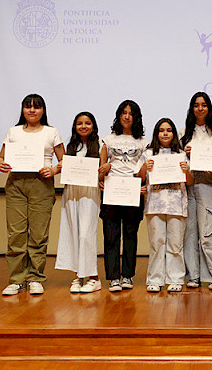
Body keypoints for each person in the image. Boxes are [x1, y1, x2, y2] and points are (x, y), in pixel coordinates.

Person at [0, 94, 64, 296]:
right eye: (28, 107)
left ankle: (35, 277)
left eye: (36, 107)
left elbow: (64, 161)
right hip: (16, 183)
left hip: (41, 184)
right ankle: (16, 279)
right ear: (22, 110)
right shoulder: (13, 131)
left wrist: (52, 170)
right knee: (16, 233)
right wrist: (0, 163)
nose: (32, 111)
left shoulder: (51, 132)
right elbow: (0, 158)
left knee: (38, 234)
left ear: (43, 110)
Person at [137, 118, 193, 293]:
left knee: (176, 244)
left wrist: (186, 171)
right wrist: (145, 167)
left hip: (177, 204)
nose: (165, 133)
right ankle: (155, 279)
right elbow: (138, 177)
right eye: (162, 130)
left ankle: (175, 279)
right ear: (157, 133)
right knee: (156, 243)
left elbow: (190, 181)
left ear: (173, 133)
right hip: (154, 204)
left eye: (169, 130)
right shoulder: (148, 154)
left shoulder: (181, 154)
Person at [98, 100, 148, 292]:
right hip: (112, 194)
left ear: (136, 117)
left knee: (130, 235)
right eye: (123, 112)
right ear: (118, 115)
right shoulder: (108, 140)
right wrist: (102, 176)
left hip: (133, 194)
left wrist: (143, 185)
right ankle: (113, 277)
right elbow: (101, 170)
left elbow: (145, 170)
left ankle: (127, 275)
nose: (127, 116)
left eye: (131, 113)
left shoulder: (144, 143)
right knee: (111, 236)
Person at [179, 92, 212, 290]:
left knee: (208, 233)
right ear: (192, 109)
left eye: (204, 105)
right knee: (189, 233)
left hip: (207, 185)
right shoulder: (183, 133)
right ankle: (193, 276)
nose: (200, 108)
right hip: (187, 187)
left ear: (209, 108)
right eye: (196, 105)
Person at [55, 112, 102, 293]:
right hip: (72, 191)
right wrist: (60, 167)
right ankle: (78, 276)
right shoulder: (71, 146)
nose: (83, 126)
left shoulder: (99, 146)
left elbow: (100, 172)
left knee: (86, 234)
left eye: (87, 123)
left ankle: (94, 277)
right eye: (79, 123)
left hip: (90, 192)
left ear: (93, 126)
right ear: (75, 127)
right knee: (73, 232)